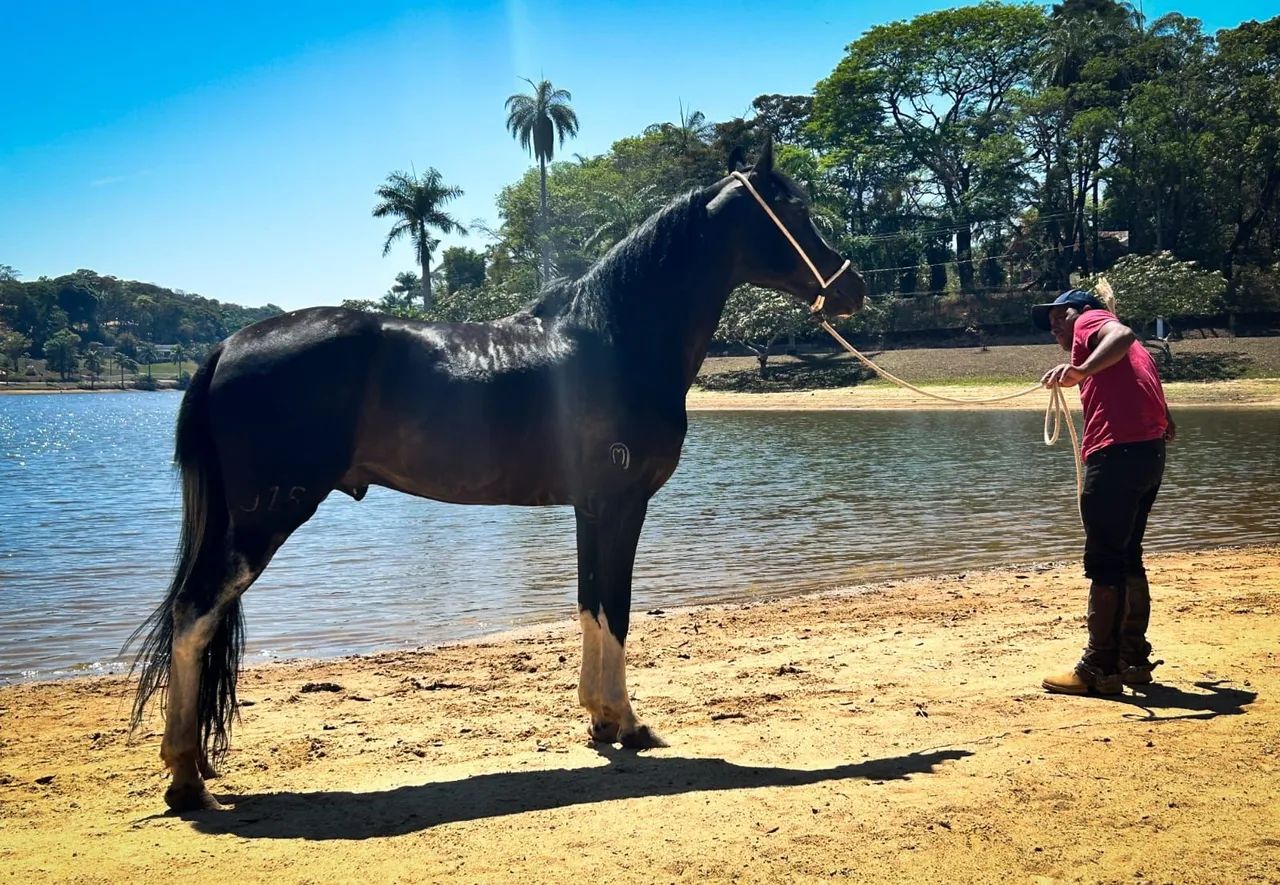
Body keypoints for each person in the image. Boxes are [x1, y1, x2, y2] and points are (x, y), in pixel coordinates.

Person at [1031, 286, 1175, 695]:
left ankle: (1099, 668)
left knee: (1105, 560)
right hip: (1148, 453)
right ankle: (1132, 659)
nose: (1055, 327)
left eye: (1060, 316)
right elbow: (1139, 371)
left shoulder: (1091, 323)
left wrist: (1079, 371)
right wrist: (1165, 418)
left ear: (1081, 312)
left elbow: (1123, 335)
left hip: (1115, 454)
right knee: (1128, 555)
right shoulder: (1123, 352)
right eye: (1051, 323)